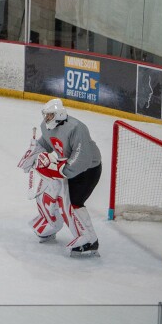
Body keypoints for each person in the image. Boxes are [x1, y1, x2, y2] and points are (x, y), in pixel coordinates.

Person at [17, 99, 102, 255]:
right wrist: (33, 153)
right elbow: (46, 144)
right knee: (49, 193)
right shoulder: (46, 126)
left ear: (59, 115)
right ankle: (51, 225)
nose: (46, 119)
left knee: (73, 203)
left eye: (49, 115)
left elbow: (82, 158)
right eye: (45, 115)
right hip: (67, 167)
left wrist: (61, 171)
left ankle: (89, 240)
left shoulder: (77, 128)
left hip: (88, 170)